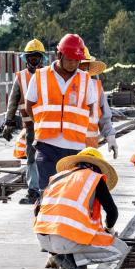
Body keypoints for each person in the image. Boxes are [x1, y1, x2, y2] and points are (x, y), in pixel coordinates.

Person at [24, 33, 99, 194]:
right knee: (48, 192)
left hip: (75, 147)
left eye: (77, 61)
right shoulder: (40, 76)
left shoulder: (85, 79)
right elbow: (29, 105)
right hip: (46, 144)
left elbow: (92, 110)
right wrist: (43, 122)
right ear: (59, 55)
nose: (73, 64)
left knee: (70, 193)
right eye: (70, 59)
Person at [33, 148, 128, 269]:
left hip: (43, 241)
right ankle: (72, 259)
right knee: (121, 250)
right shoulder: (94, 178)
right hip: (66, 241)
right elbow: (112, 211)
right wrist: (109, 230)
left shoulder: (57, 178)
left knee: (68, 238)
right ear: (97, 167)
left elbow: (37, 208)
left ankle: (57, 255)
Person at [3, 38, 47, 204]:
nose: (33, 61)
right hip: (30, 126)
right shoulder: (20, 78)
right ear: (25, 59)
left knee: (46, 157)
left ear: (41, 58)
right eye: (30, 57)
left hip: (47, 125)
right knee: (31, 157)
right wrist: (8, 122)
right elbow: (13, 101)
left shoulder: (48, 75)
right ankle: (33, 190)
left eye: (36, 57)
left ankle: (47, 189)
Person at [80, 48, 118, 160]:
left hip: (90, 150)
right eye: (81, 66)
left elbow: (104, 117)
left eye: (85, 67)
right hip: (68, 149)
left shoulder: (96, 88)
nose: (83, 70)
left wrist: (111, 137)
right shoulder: (64, 88)